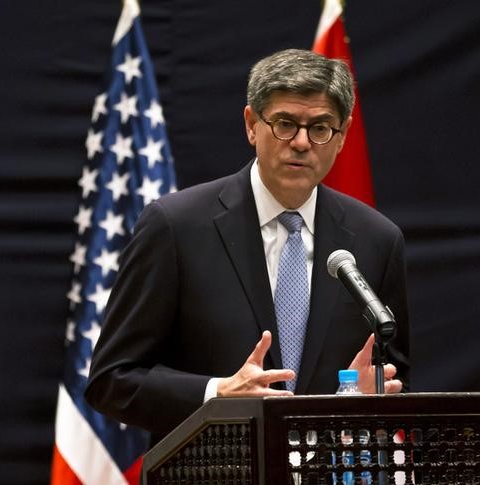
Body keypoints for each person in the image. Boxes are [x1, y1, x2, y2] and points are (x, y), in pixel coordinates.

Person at [85, 48, 410, 442]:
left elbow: (395, 379)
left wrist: (364, 396)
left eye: (321, 128)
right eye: (285, 124)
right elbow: (113, 379)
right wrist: (218, 394)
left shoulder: (377, 239)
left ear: (342, 137)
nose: (303, 143)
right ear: (251, 124)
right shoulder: (176, 226)